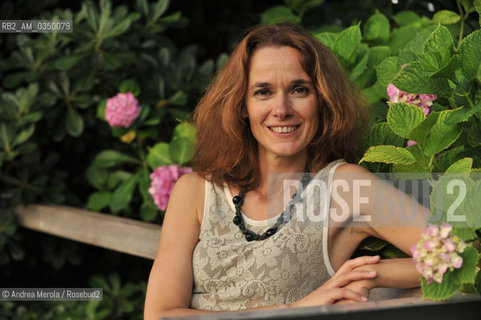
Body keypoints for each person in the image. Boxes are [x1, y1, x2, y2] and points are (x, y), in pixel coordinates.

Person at [144, 23, 428, 319]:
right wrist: (292, 310)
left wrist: (370, 273)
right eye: (263, 92)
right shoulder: (194, 191)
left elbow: (463, 257)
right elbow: (159, 314)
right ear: (242, 105)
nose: (282, 108)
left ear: (322, 99)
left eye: (299, 90)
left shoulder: (345, 188)